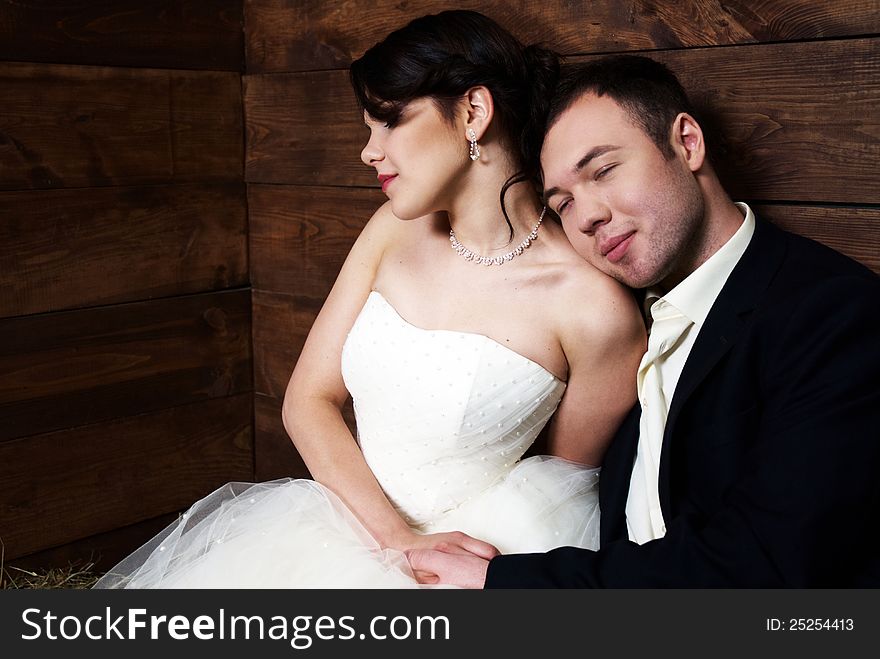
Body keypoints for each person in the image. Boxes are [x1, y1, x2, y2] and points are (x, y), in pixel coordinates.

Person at [93, 12, 644, 588]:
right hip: (341, 528)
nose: (369, 152)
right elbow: (307, 400)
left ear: (474, 113)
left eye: (388, 122)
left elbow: (557, 488)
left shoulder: (595, 311)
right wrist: (397, 541)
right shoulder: (391, 231)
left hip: (474, 554)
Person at [407, 54, 880, 588]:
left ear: (687, 143)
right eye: (561, 203)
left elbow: (765, 569)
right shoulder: (613, 320)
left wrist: (504, 588)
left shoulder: (834, 314)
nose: (586, 216)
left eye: (603, 171)